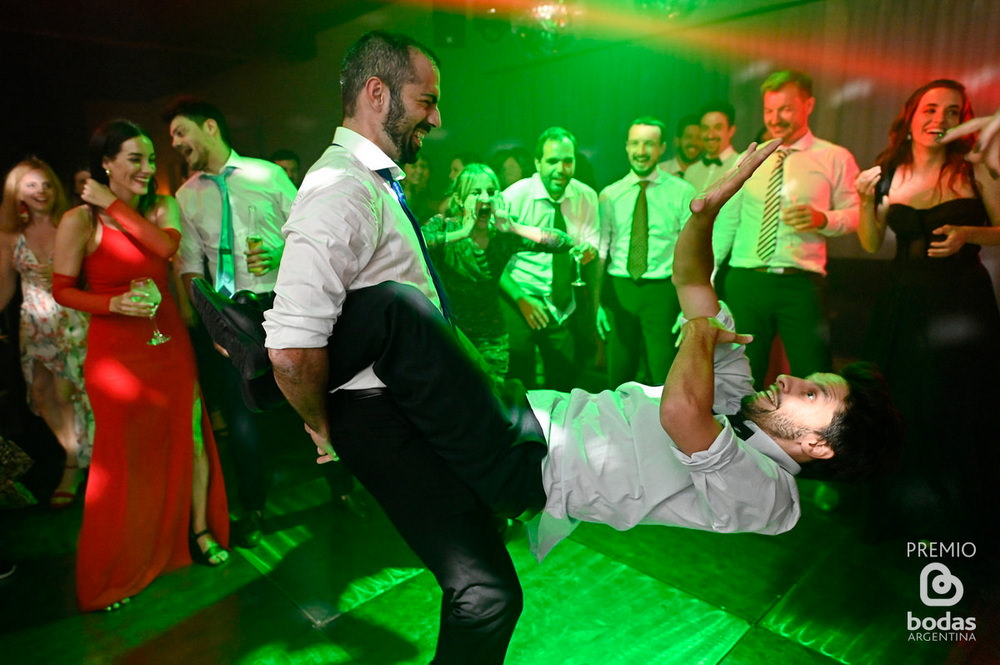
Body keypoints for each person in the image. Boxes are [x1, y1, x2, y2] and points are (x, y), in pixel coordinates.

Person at [205, 141, 901, 569]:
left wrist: (698, 332)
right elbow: (693, 280)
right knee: (388, 366)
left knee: (399, 312)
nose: (791, 378)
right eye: (809, 378)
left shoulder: (773, 498)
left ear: (820, 447)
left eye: (812, 393)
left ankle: (264, 359)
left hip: (529, 460)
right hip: (533, 418)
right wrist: (706, 209)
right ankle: (271, 368)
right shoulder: (743, 400)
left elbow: (684, 417)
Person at [262, 31, 546, 664]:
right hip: (381, 415)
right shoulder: (339, 187)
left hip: (408, 404)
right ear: (376, 92)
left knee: (487, 568)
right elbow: (293, 347)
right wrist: (322, 429)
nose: (438, 118)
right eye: (428, 100)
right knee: (487, 593)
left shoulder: (371, 181)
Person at [164, 98, 361, 547]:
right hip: (233, 316)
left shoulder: (267, 175)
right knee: (243, 420)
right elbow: (190, 267)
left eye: (180, 132)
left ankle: (344, 489)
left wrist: (278, 254)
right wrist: (208, 324)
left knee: (313, 405)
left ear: (209, 127)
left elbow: (309, 233)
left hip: (284, 302)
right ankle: (253, 506)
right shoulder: (186, 195)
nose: (175, 144)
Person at [52, 119, 230, 612]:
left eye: (151, 159)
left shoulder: (160, 207)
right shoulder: (79, 223)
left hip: (167, 343)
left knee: (189, 437)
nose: (148, 169)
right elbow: (61, 289)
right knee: (123, 461)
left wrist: (111, 202)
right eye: (135, 159)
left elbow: (165, 247)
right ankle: (121, 561)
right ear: (105, 163)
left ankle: (197, 533)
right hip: (115, 354)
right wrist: (112, 305)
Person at [854, 79, 1000, 548]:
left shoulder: (976, 169)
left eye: (952, 112)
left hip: (962, 304)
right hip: (903, 303)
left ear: (963, 120)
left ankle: (952, 513)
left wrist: (969, 234)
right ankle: (897, 506)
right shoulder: (887, 168)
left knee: (953, 403)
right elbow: (872, 242)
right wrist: (861, 199)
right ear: (911, 116)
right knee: (900, 402)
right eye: (930, 109)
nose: (940, 119)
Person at [712, 70, 861, 388]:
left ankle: (815, 438)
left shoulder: (834, 157)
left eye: (785, 109)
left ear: (808, 105)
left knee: (816, 376)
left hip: (801, 284)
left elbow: (855, 213)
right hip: (746, 281)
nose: (775, 119)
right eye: (769, 110)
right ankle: (741, 437)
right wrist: (708, 276)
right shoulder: (748, 158)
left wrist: (824, 220)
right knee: (740, 376)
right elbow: (728, 222)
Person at [422, 163, 574, 382]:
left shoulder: (501, 235)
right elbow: (415, 244)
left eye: (491, 192)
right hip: (451, 333)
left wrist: (513, 227)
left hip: (491, 338)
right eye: (476, 192)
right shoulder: (444, 227)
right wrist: (462, 233)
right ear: (459, 200)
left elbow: (563, 243)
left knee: (491, 400)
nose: (485, 198)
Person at [0, 158, 92, 508]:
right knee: (42, 396)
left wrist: (63, 272)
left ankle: (74, 466)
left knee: (69, 392)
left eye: (47, 184)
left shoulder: (72, 222)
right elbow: (4, 290)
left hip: (72, 320)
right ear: (16, 191)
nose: (41, 191)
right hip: (33, 323)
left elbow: (92, 275)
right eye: (31, 185)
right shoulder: (10, 234)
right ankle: (78, 455)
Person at [597, 116, 696, 386]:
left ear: (662, 147)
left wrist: (690, 306)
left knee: (664, 378)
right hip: (619, 290)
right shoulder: (609, 195)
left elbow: (693, 253)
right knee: (618, 377)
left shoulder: (682, 192)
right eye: (636, 144)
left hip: (662, 294)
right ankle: (619, 428)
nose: (642, 152)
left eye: (649, 144)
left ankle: (659, 429)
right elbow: (601, 251)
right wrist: (596, 303)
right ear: (627, 147)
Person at [500, 127, 599, 390]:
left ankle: (558, 432)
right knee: (519, 382)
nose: (561, 169)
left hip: (562, 304)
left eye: (567, 161)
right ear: (537, 162)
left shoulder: (586, 197)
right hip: (519, 297)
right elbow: (492, 261)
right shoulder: (514, 197)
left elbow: (592, 244)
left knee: (566, 384)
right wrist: (521, 299)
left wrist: (589, 251)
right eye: (553, 161)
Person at [684, 101, 740, 193]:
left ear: (731, 131)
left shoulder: (740, 167)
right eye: (705, 128)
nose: (710, 135)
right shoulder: (691, 171)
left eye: (718, 128)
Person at [659, 114, 703, 178]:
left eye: (699, 138)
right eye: (688, 137)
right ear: (677, 141)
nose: (694, 142)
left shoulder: (708, 174)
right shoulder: (659, 172)